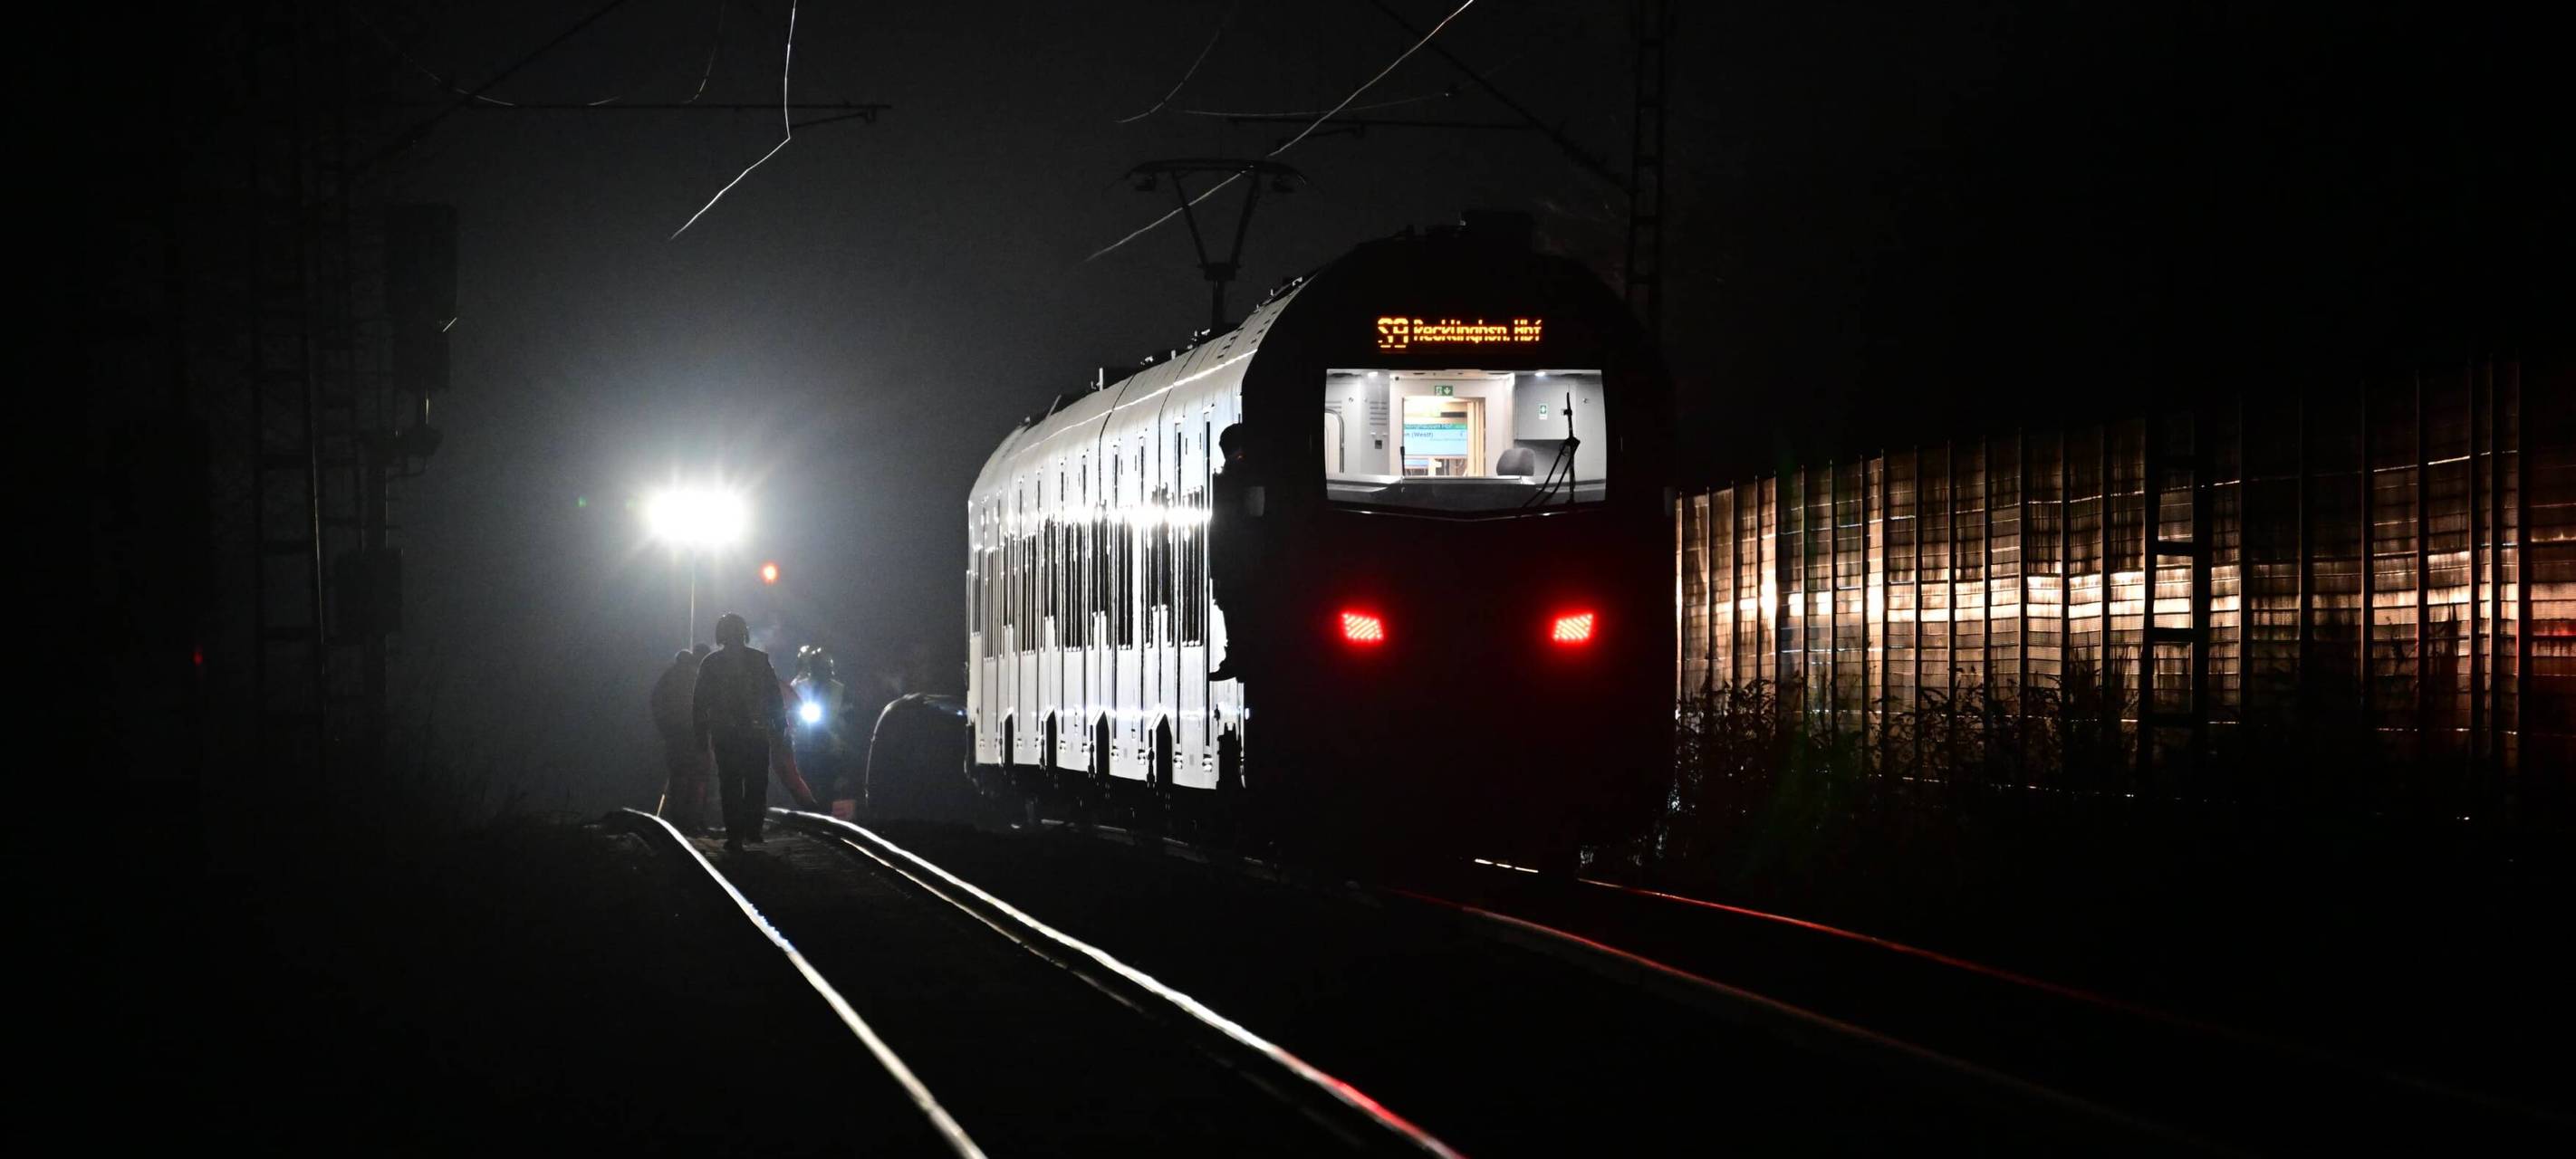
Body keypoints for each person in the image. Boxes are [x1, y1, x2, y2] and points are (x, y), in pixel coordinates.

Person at [693, 613, 790, 851]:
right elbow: (774, 697)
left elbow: (699, 703)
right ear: (744, 633)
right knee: (756, 782)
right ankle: (753, 830)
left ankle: (735, 834)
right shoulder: (760, 660)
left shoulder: (710, 663)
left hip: (725, 735)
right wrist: (780, 726)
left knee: (730, 784)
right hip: (756, 733)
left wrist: (701, 736)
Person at [1207, 422, 1264, 682]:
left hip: (1237, 561)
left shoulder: (1236, 475)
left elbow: (1231, 522)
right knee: (1232, 605)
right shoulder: (1243, 472)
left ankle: (1237, 655)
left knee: (1233, 606)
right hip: (1237, 559)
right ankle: (1237, 653)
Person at [649, 647, 712, 832]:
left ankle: (678, 821)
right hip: (696, 734)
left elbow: (656, 700)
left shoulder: (670, 675)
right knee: (698, 777)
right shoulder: (699, 676)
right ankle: (692, 820)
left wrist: (664, 728)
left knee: (680, 776)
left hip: (675, 734)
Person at [791, 646, 856, 807]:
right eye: (818, 668)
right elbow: (789, 712)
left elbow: (849, 718)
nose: (821, 672)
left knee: (830, 788)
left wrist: (841, 734)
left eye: (824, 669)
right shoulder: (799, 687)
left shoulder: (840, 690)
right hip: (803, 744)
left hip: (831, 746)